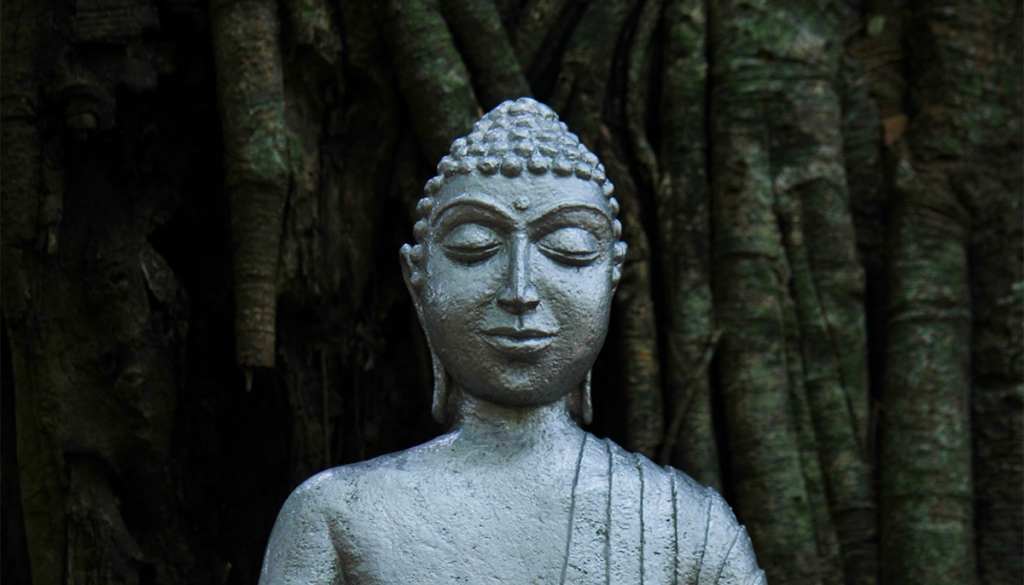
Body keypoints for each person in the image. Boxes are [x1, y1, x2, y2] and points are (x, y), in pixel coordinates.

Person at [259, 98, 766, 584]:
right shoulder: (335, 514)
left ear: (610, 281)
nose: (519, 290)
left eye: (568, 250)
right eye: (474, 247)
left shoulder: (689, 526)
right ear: (419, 282)